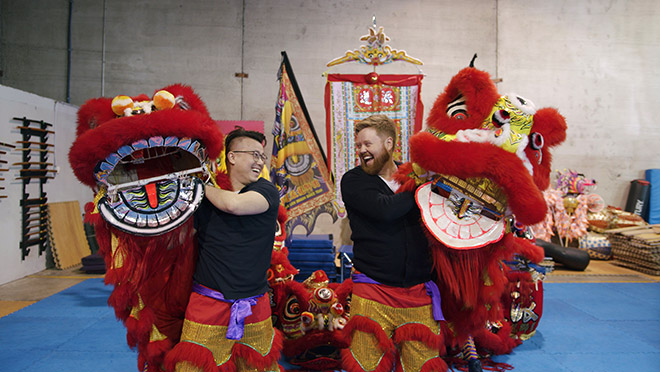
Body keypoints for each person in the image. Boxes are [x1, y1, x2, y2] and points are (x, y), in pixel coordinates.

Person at [165, 128, 282, 372]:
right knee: (192, 366)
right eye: (254, 154)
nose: (259, 162)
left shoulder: (265, 190)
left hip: (254, 303)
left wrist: (198, 185)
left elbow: (232, 205)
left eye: (262, 157)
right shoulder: (204, 202)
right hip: (207, 301)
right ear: (232, 157)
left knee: (257, 367)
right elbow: (178, 240)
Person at [340, 115, 447, 372]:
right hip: (373, 291)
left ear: (389, 143)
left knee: (423, 366)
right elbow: (385, 210)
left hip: (419, 293)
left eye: (368, 144)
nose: (362, 151)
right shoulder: (353, 180)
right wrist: (423, 183)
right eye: (358, 146)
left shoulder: (414, 178)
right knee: (366, 365)